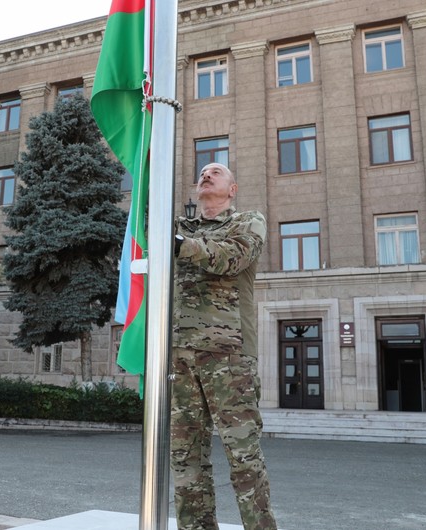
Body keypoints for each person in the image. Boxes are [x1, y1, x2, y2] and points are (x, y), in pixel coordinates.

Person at [171, 162, 277, 530]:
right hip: (180, 354)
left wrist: (183, 247)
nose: (206, 175)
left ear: (232, 189)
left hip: (228, 353)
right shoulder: (180, 228)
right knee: (186, 459)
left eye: (216, 172)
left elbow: (234, 256)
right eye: (202, 172)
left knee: (243, 457)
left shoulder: (248, 221)